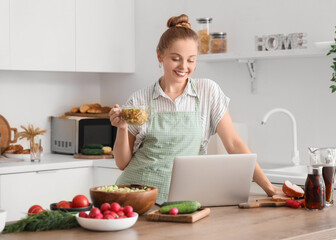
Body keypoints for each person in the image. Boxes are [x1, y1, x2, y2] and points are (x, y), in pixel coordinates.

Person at [109, 14, 283, 203]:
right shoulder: (140, 100)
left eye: (191, 60)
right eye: (176, 58)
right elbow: (122, 163)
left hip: (182, 201)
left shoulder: (208, 91)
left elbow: (234, 143)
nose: (184, 66)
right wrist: (122, 127)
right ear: (160, 55)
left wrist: (268, 186)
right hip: (137, 198)